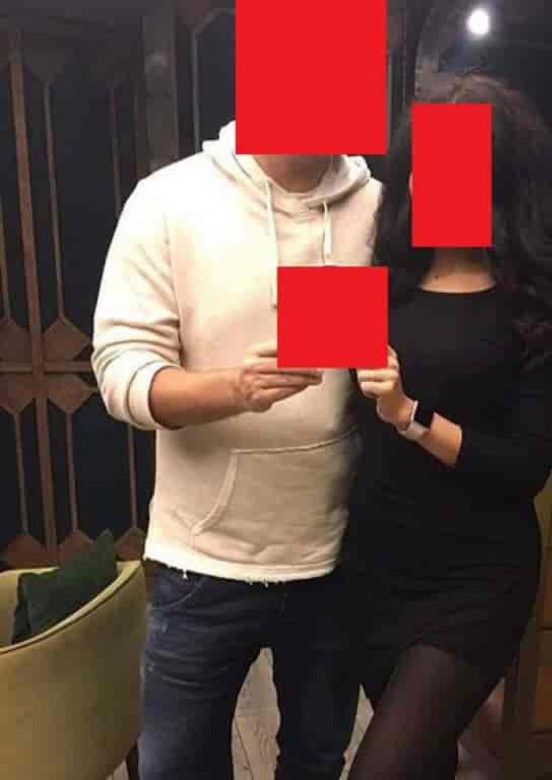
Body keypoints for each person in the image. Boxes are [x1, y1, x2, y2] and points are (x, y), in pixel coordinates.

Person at [92, 121, 381, 780]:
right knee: (176, 767)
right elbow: (120, 371)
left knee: (316, 759)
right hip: (203, 559)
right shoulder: (168, 200)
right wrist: (234, 389)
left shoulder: (380, 207)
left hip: (337, 556)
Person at [339, 74, 552, 779]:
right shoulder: (376, 289)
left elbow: (524, 467)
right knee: (423, 763)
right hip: (375, 568)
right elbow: (322, 405)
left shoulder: (531, 308)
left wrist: (411, 416)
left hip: (476, 581)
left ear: (503, 182)